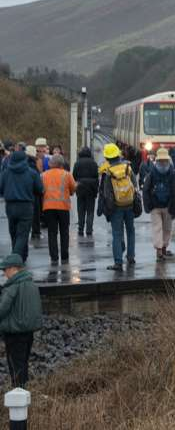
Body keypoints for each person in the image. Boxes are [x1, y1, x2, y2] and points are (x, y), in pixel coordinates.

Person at [0, 253, 44, 388]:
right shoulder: (32, 285)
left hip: (14, 334)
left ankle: (18, 397)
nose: (4, 274)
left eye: (5, 270)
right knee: (23, 364)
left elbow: (2, 310)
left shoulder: (12, 287)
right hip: (28, 333)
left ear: (14, 269)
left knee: (15, 368)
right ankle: (25, 395)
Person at [97, 143, 139, 271]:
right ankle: (131, 257)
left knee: (117, 234)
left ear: (107, 157)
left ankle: (118, 262)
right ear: (118, 154)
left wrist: (108, 209)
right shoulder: (127, 168)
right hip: (129, 204)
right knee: (130, 231)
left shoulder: (107, 172)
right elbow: (134, 184)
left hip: (116, 207)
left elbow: (106, 192)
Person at [0, 151, 44, 261]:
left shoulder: (5, 173)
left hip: (10, 206)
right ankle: (15, 257)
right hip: (26, 206)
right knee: (23, 234)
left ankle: (21, 256)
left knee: (13, 232)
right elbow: (39, 189)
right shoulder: (32, 173)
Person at [143, 148, 175, 262]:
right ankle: (163, 248)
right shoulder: (172, 173)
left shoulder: (152, 172)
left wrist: (148, 206)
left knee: (157, 228)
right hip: (168, 206)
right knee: (167, 229)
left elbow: (146, 190)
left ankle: (158, 251)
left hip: (155, 207)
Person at [42, 155, 77, 264]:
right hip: (63, 207)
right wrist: (70, 193)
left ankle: (54, 256)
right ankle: (64, 255)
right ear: (61, 164)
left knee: (52, 233)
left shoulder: (43, 175)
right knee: (64, 232)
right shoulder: (66, 174)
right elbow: (73, 188)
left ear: (50, 164)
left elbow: (40, 189)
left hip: (48, 207)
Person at [72, 147, 99, 236]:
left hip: (80, 188)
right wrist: (96, 189)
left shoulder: (77, 163)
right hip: (91, 189)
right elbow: (96, 177)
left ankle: (80, 229)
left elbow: (74, 176)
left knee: (81, 210)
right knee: (90, 211)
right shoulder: (94, 163)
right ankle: (89, 229)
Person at [24, 146, 43, 240]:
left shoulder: (22, 164)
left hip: (24, 193)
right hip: (34, 194)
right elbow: (38, 184)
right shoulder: (34, 167)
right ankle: (36, 232)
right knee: (35, 214)